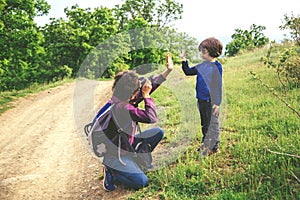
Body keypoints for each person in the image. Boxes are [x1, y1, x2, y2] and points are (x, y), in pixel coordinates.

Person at [102, 53, 173, 191]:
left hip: (127, 143)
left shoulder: (122, 97)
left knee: (158, 132)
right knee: (141, 181)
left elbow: (149, 86)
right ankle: (112, 171)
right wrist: (146, 96)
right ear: (131, 93)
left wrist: (168, 71)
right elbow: (151, 117)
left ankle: (132, 162)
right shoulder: (122, 108)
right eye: (137, 90)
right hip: (115, 154)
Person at [181, 37, 223, 156]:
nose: (201, 54)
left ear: (212, 51)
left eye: (204, 51)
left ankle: (214, 147)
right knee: (205, 123)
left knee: (212, 124)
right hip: (201, 100)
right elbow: (188, 71)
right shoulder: (201, 66)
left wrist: (217, 103)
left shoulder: (216, 67)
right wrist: (183, 59)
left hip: (211, 101)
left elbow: (217, 86)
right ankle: (206, 144)